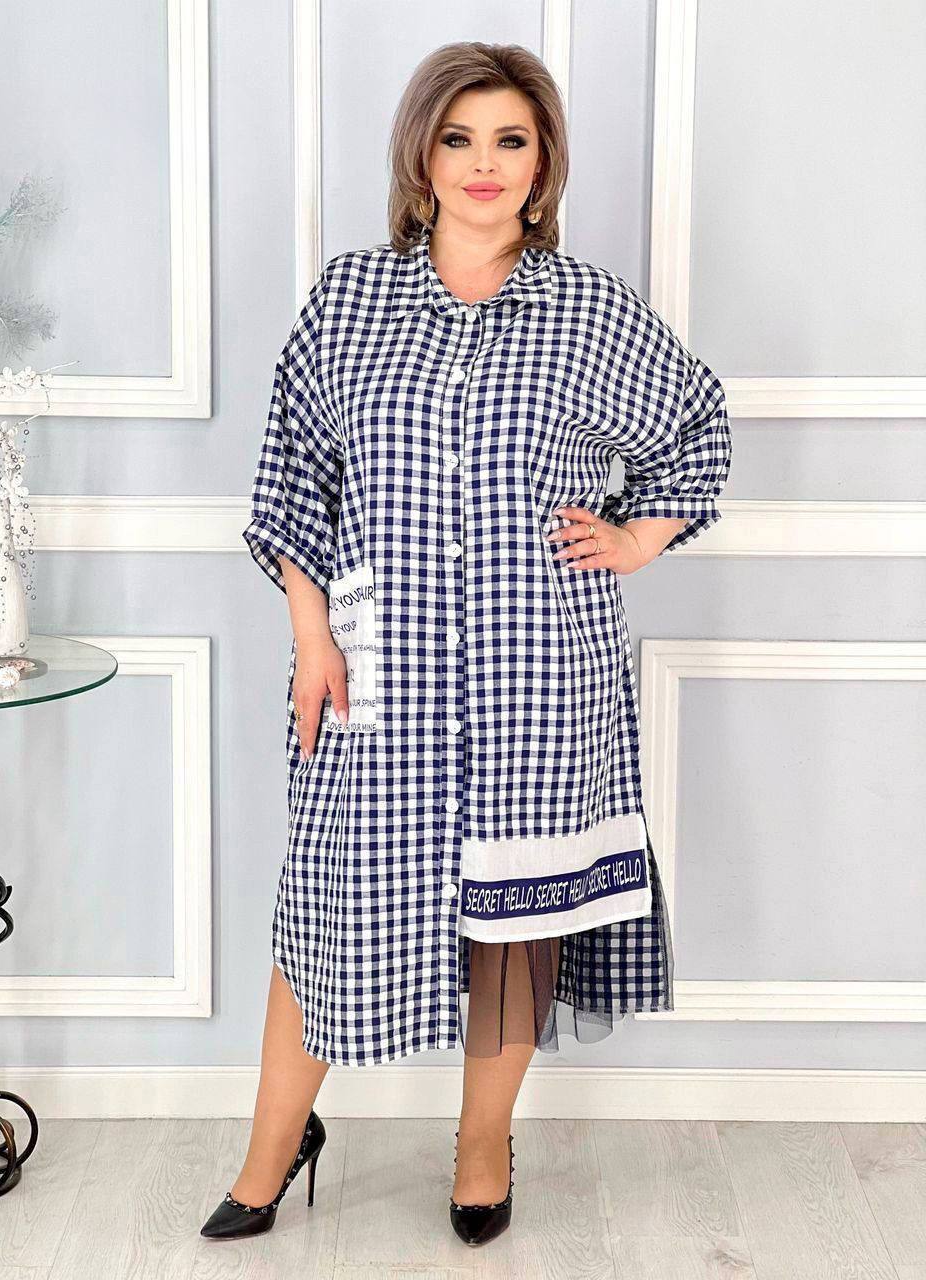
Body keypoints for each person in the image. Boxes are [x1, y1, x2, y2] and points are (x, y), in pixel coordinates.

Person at [201, 40, 731, 1248]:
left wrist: (638, 535)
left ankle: (483, 1143)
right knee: (330, 902)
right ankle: (271, 1149)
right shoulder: (351, 299)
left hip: (542, 668)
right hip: (375, 667)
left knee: (514, 918)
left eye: (510, 140)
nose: (483, 163)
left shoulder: (589, 310)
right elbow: (294, 477)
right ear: (422, 155)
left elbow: (696, 424)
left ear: (541, 164)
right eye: (459, 137)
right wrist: (312, 637)